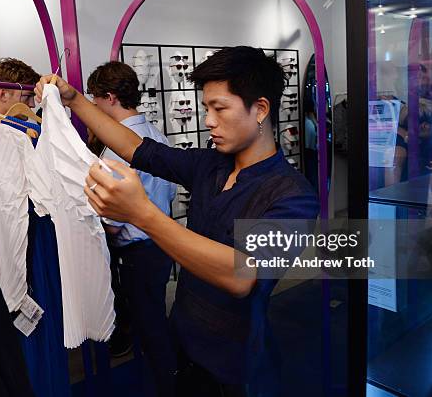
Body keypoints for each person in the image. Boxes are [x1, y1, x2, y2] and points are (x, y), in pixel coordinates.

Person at [35, 46, 319, 396]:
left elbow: (241, 274)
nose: (209, 121)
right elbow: (138, 149)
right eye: (205, 109)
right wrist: (75, 100)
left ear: (260, 109)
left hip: (236, 365)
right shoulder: (211, 165)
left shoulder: (293, 196)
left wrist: (141, 213)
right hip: (184, 340)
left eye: (220, 108)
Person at [85, 61, 177, 396]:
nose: (93, 109)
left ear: (109, 97)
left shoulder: (117, 152)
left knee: (150, 326)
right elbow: (169, 191)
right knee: (155, 318)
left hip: (137, 250)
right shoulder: (156, 135)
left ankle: (169, 386)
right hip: (162, 244)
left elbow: (112, 221)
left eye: (95, 101)